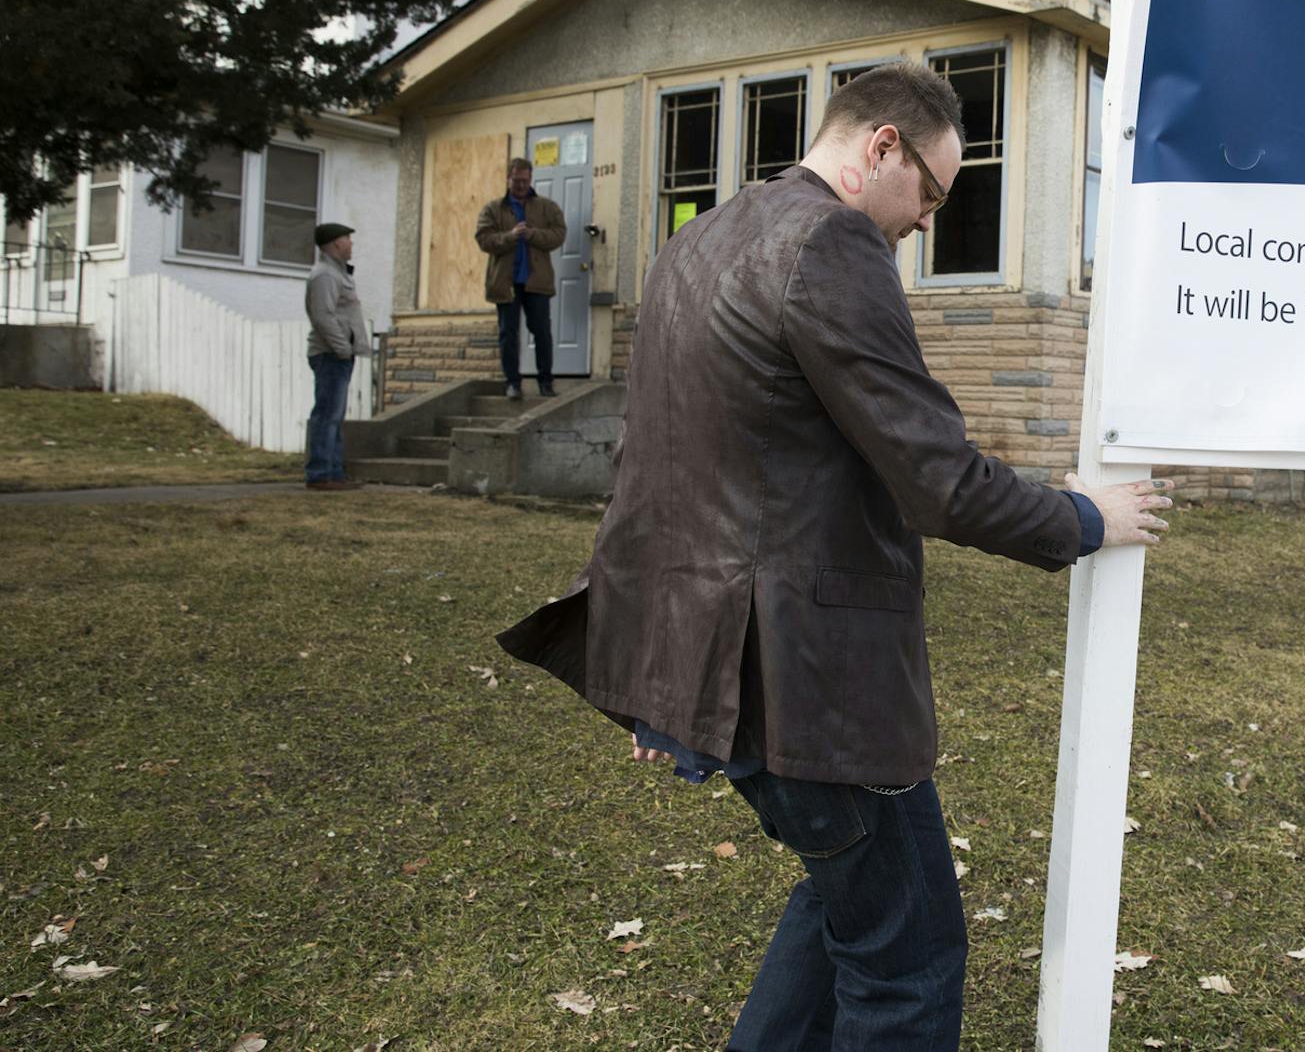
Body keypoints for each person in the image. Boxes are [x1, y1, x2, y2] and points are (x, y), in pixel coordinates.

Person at [496, 63, 1172, 1049]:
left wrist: (662, 672)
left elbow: (656, 472)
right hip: (816, 689)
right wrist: (1080, 519)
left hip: (738, 673)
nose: (927, 222)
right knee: (908, 958)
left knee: (845, 901)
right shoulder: (831, 243)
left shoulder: (697, 242)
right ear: (880, 148)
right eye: (930, 193)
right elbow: (936, 476)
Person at [474, 157, 566, 400]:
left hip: (537, 282)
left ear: (531, 179)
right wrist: (510, 236)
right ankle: (512, 383)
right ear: (508, 179)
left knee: (542, 332)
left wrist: (533, 234)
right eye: (517, 180)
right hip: (505, 283)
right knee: (508, 334)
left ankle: (546, 382)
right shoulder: (492, 209)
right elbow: (483, 239)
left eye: (525, 180)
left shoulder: (547, 207)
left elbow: (559, 235)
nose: (521, 185)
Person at [303, 222, 370, 490]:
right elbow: (322, 316)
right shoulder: (325, 275)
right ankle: (320, 473)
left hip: (339, 354)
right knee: (327, 414)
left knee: (335, 414)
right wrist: (342, 348)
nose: (351, 244)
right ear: (335, 244)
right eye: (347, 239)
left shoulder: (337, 273)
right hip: (330, 354)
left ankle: (333, 471)